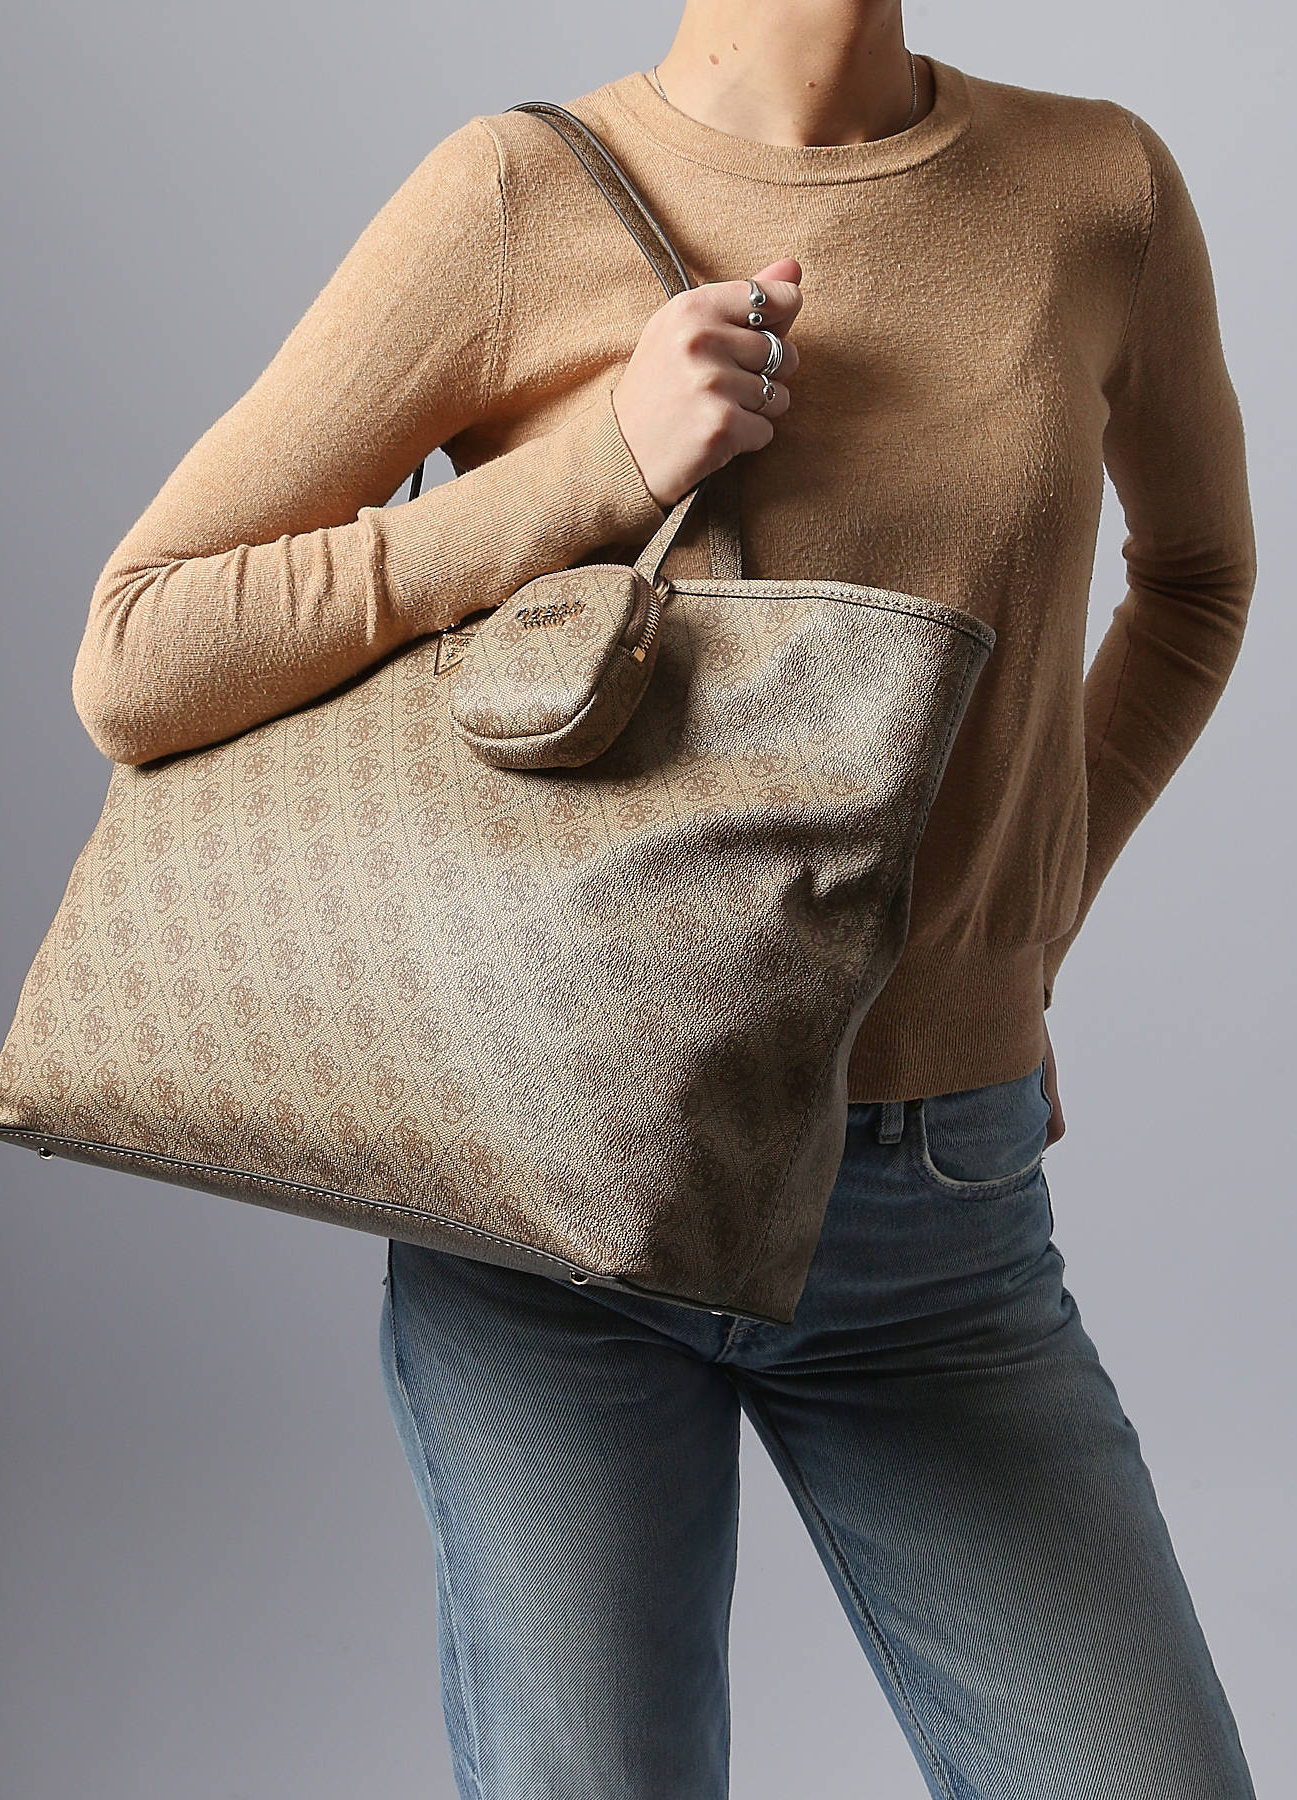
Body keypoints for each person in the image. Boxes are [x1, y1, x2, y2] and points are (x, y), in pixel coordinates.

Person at [70, 2, 1259, 1794]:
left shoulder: (1098, 187)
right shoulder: (510, 195)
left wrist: (1012, 942)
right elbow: (138, 652)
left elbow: (1195, 585)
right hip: (553, 1202)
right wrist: (594, 471)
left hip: (933, 1211)